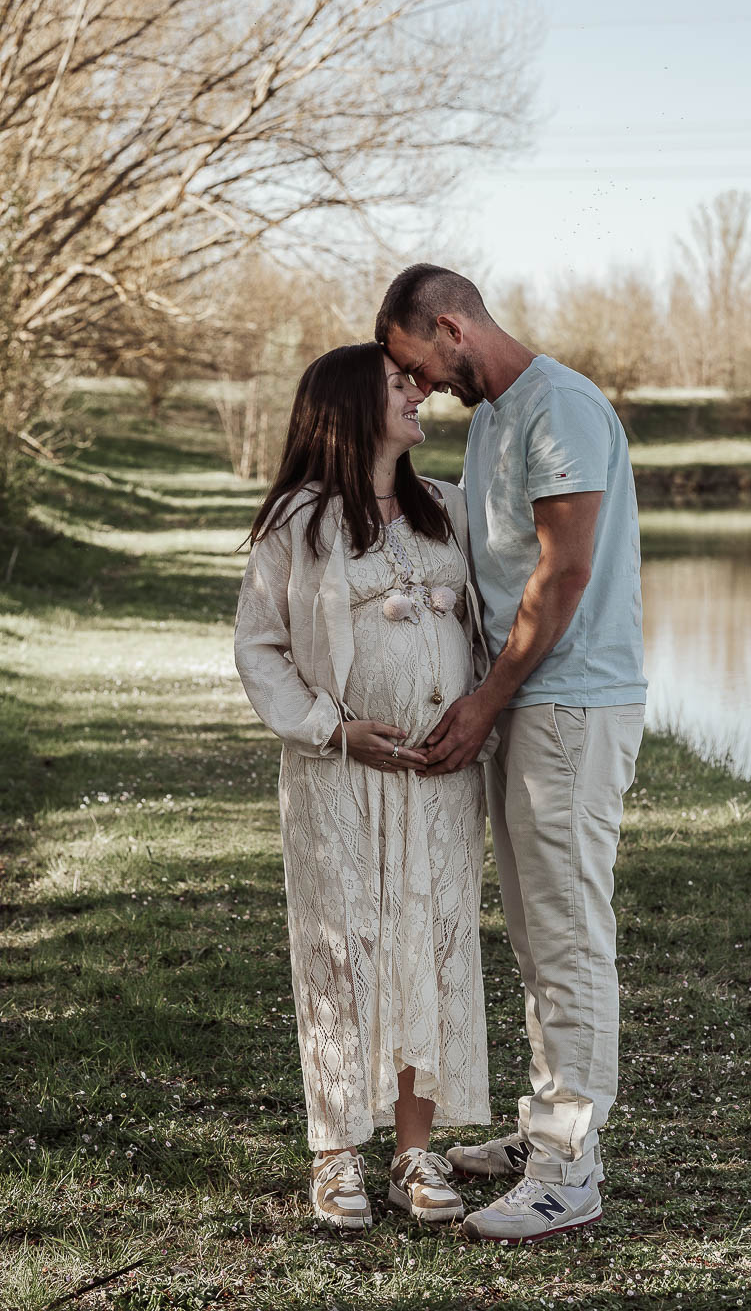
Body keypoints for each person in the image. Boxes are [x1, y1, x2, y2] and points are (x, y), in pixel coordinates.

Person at [376, 266, 647, 1243]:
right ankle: (543, 1134)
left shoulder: (557, 408)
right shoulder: (493, 416)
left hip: (568, 707)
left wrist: (486, 700)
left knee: (568, 936)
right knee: (539, 937)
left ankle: (567, 1172)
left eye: (418, 363)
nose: (423, 386)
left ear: (451, 325)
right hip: (527, 701)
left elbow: (563, 572)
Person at [234, 342, 493, 1231]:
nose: (420, 394)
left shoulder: (447, 510)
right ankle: (337, 1154)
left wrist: (478, 716)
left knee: (431, 939)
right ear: (347, 409)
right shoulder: (296, 524)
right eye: (399, 386)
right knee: (345, 950)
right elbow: (260, 648)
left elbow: (491, 618)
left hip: (440, 776)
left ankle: (414, 1156)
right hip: (339, 778)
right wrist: (332, 731)